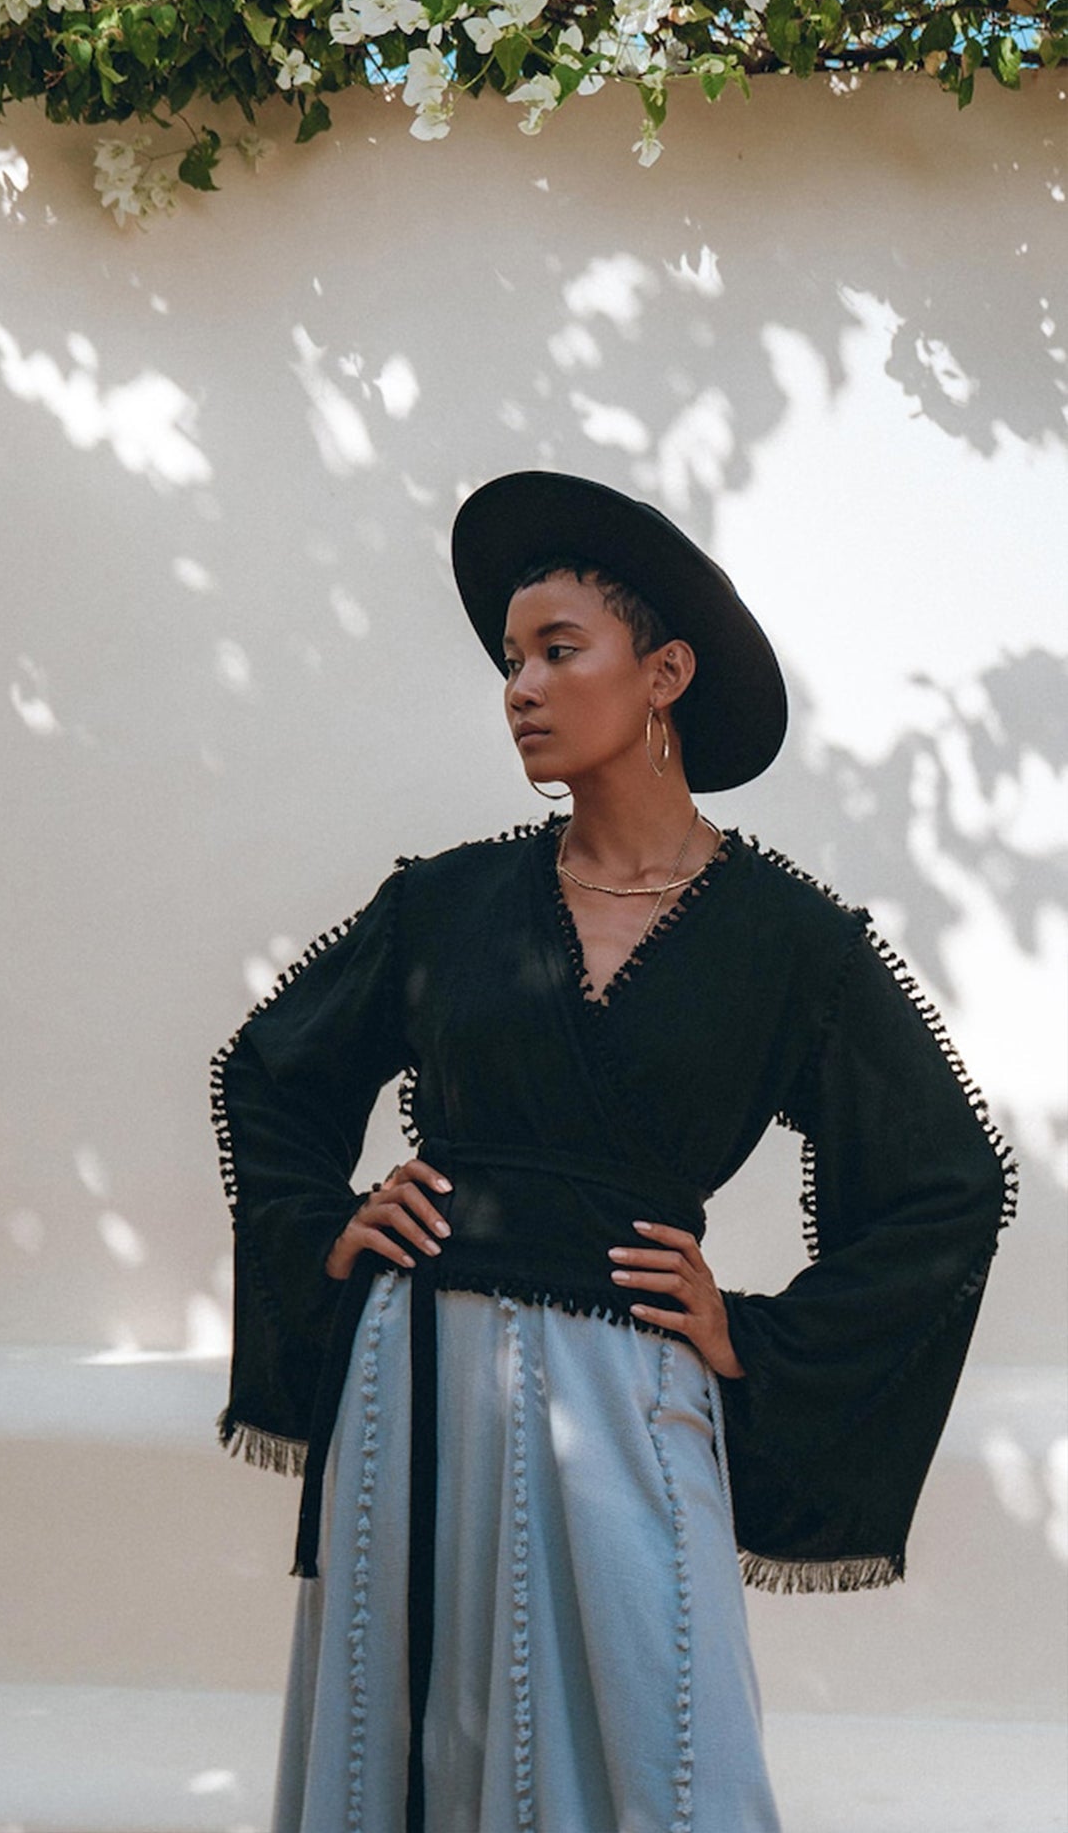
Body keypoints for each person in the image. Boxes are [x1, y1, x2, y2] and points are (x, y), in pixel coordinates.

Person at [210, 470, 1015, 1833]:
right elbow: (269, 1075)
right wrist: (328, 1225)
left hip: (632, 1383)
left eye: (557, 650)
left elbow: (948, 1185)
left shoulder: (790, 944)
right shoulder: (445, 903)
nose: (520, 687)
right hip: (413, 1368)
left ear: (665, 674)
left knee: (667, 1751)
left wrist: (753, 1334)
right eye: (509, 661)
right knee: (412, 1735)